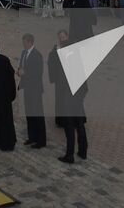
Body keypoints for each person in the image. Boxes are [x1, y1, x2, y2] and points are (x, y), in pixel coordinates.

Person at [49, 29, 88, 164]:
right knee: (79, 124)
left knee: (70, 126)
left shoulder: (65, 54)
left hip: (70, 95)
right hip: (78, 93)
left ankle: (69, 155)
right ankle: (83, 151)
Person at [18, 33, 46, 149]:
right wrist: (19, 71)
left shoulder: (37, 55)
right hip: (27, 89)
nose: (23, 45)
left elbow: (38, 73)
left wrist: (25, 74)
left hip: (35, 90)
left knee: (37, 114)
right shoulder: (24, 53)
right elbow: (21, 66)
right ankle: (32, 137)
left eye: (24, 42)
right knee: (29, 113)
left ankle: (41, 140)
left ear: (30, 42)